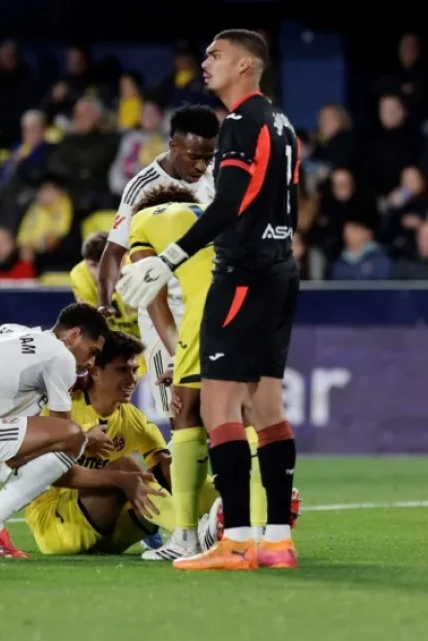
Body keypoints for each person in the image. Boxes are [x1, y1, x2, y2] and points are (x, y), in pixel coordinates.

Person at [118, 30, 301, 571]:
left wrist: (167, 258)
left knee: (219, 405)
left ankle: (237, 540)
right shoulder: (283, 123)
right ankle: (277, 541)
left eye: (216, 55)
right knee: (266, 407)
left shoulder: (243, 122)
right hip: (280, 269)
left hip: (243, 272)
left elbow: (228, 205)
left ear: (246, 65)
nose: (205, 62)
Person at [0, 304, 154, 558]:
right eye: (92, 352)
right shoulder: (61, 356)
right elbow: (64, 437)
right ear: (74, 336)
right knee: (71, 436)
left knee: (5, 433)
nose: (90, 363)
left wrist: (91, 317)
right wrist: (88, 442)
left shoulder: (12, 332)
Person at [127, 184, 285, 561]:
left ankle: (184, 536)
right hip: (261, 305)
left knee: (187, 415)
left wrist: (179, 354)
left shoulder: (143, 221)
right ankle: (262, 533)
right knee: (250, 418)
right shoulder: (208, 217)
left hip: (214, 309)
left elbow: (151, 294)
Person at [26, 331, 217, 556]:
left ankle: (226, 523)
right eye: (122, 370)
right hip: (57, 526)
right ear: (95, 372)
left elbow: (167, 469)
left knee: (169, 471)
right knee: (126, 467)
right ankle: (187, 535)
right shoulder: (63, 410)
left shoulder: (132, 419)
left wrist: (217, 495)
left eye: (135, 370)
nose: (132, 379)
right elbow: (44, 474)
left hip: (111, 537)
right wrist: (116, 476)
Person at [96, 104, 219, 419]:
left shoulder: (220, 173)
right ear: (173, 146)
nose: (202, 164)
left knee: (223, 404)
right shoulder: (143, 188)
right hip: (165, 308)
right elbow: (114, 251)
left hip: (210, 302)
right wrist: (103, 303)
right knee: (179, 411)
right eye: (195, 156)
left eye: (208, 155)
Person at [69, 231, 164, 550]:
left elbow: (155, 309)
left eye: (101, 264)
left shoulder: (136, 272)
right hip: (112, 350)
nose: (95, 272)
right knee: (107, 400)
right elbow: (91, 322)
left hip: (143, 344)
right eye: (92, 265)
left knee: (126, 405)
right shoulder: (80, 275)